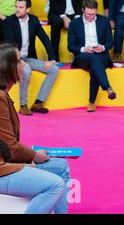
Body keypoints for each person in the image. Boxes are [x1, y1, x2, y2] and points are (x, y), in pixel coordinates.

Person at [0, 43, 71, 214]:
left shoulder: (4, 95)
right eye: (18, 61)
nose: (24, 65)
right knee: (55, 185)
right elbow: (10, 147)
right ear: (6, 66)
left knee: (61, 167)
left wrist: (32, 156)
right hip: (2, 168)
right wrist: (34, 156)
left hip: (7, 161)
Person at [3, 0, 59, 115]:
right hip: (13, 57)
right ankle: (23, 105)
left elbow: (45, 39)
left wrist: (52, 58)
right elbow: (10, 43)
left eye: (21, 7)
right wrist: (19, 61)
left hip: (28, 57)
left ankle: (38, 103)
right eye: (16, 6)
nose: (17, 9)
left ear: (28, 9)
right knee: (26, 70)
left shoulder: (33, 20)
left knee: (54, 69)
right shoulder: (9, 21)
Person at [67, 0, 117, 112]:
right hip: (83, 56)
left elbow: (110, 42)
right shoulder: (75, 23)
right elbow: (70, 46)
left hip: (101, 55)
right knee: (93, 59)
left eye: (93, 14)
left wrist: (102, 47)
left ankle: (92, 102)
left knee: (95, 64)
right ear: (82, 10)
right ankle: (107, 87)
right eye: (88, 14)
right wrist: (84, 49)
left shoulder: (104, 21)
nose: (91, 16)